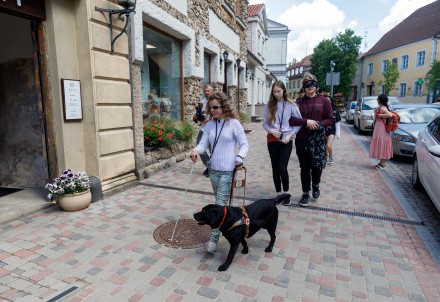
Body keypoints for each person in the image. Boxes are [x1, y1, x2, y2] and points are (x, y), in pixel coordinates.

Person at [190, 92, 249, 253]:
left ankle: (213, 240)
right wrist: (196, 150)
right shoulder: (209, 125)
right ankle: (231, 227)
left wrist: (239, 157)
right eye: (210, 108)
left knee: (220, 205)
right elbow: (203, 144)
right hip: (213, 171)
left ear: (224, 106)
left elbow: (244, 144)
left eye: (215, 107)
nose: (213, 110)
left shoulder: (234, 124)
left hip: (228, 171)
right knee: (221, 203)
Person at [289, 74, 334, 207]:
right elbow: (291, 119)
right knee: (304, 167)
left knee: (317, 166)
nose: (310, 87)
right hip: (302, 139)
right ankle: (305, 193)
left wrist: (319, 124)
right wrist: (306, 122)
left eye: (313, 84)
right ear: (304, 87)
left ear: (316, 85)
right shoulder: (299, 102)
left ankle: (315, 184)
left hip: (318, 140)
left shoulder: (324, 101)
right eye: (307, 84)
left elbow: (330, 118)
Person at [263, 80, 301, 206]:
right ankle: (278, 194)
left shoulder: (291, 104)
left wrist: (291, 134)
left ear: (284, 91)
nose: (276, 94)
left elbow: (299, 123)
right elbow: (265, 124)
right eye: (274, 91)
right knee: (275, 168)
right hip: (273, 140)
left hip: (286, 140)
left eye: (278, 91)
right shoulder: (269, 105)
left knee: (283, 168)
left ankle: (286, 193)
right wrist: (272, 131)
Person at [193, 84, 214, 177]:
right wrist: (195, 117)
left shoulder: (215, 102)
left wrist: (207, 119)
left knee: (212, 150)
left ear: (212, 91)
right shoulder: (202, 102)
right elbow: (198, 114)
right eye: (205, 91)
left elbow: (213, 117)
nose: (206, 92)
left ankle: (213, 169)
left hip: (213, 129)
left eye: (208, 91)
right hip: (203, 129)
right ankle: (210, 167)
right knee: (199, 148)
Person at [369, 94, 393, 169]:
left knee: (383, 145)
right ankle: (381, 163)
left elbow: (390, 115)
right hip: (380, 130)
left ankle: (382, 164)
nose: (377, 100)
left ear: (380, 100)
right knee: (382, 145)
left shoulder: (383, 108)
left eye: (378, 99)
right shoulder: (382, 108)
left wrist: (380, 115)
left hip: (382, 131)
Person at [325, 97, 341, 165]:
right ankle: (325, 158)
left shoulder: (335, 112)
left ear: (331, 102)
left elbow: (337, 123)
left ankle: (331, 156)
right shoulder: (322, 110)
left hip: (331, 131)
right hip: (323, 130)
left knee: (328, 145)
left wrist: (338, 134)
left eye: (329, 101)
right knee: (324, 146)